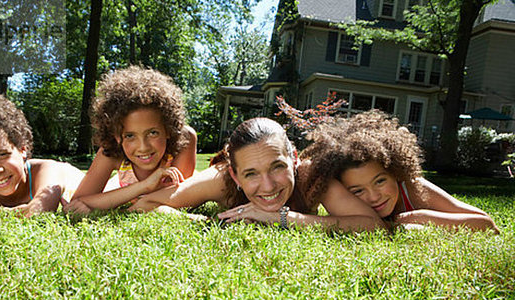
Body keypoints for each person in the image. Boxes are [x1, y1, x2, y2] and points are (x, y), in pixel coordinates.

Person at [131, 117, 385, 232]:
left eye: (277, 167)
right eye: (251, 174)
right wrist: (212, 222)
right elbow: (146, 204)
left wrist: (284, 218)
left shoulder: (310, 176)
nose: (268, 186)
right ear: (235, 174)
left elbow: (374, 226)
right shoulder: (220, 179)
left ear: (294, 159)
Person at [302, 110, 499, 233]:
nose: (374, 196)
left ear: (395, 172)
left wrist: (418, 217)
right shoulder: (343, 202)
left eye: (379, 181)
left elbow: (487, 225)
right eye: (357, 191)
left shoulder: (413, 188)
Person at [64, 66, 197, 213]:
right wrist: (145, 185)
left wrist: (120, 205)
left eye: (153, 133)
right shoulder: (111, 151)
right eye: (129, 136)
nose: (143, 147)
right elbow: (77, 203)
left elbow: (177, 197)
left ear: (168, 129)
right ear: (116, 136)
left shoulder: (185, 139)